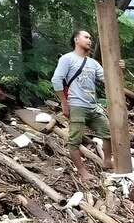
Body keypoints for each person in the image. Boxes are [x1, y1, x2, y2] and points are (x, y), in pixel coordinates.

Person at [52, 29, 123, 182]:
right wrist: (64, 102)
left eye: (90, 38)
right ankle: (82, 172)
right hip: (76, 105)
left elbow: (108, 80)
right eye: (86, 37)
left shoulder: (93, 63)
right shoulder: (67, 59)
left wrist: (119, 69)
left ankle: (107, 161)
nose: (89, 40)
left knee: (108, 132)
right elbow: (56, 80)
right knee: (74, 140)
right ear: (76, 40)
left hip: (92, 105)